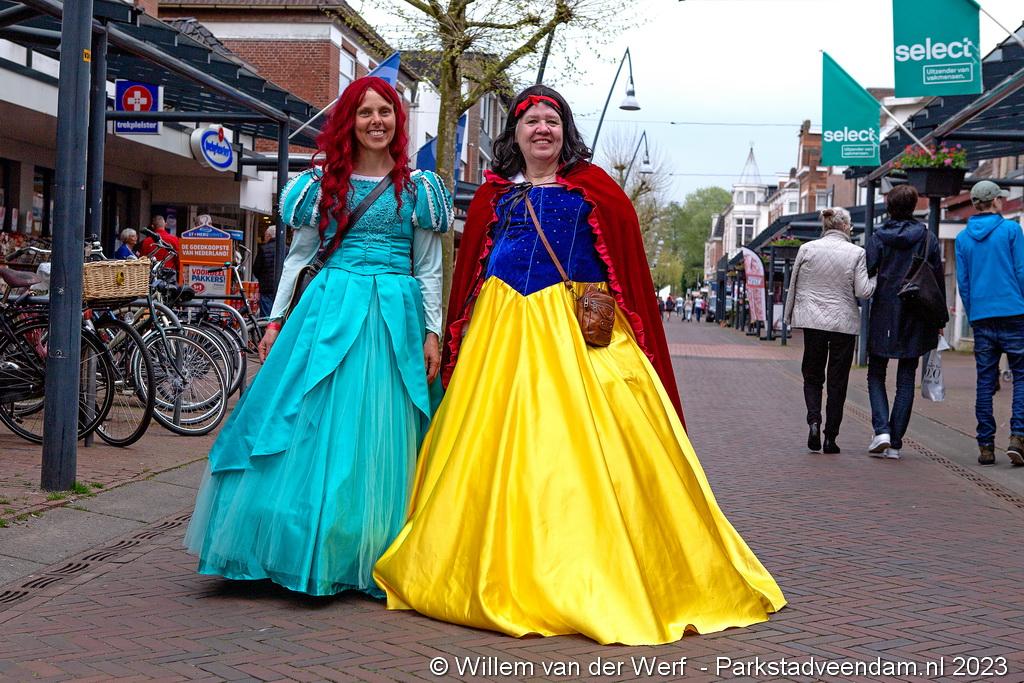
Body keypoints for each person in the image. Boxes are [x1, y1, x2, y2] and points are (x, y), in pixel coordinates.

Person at [373, 85, 785, 646]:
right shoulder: (494, 193)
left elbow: (625, 267)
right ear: (515, 134)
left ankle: (592, 565)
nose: (542, 129)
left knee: (586, 442)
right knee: (490, 441)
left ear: (565, 131)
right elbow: (471, 267)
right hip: (499, 329)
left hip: (575, 330)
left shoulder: (596, 189)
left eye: (552, 120)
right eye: (531, 121)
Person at [183, 76, 453, 596]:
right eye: (365, 112)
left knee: (376, 434)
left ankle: (370, 546)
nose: (376, 121)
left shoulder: (419, 188)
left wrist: (432, 332)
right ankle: (301, 539)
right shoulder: (322, 185)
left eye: (385, 111)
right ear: (349, 121)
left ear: (398, 121)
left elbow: (428, 268)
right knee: (302, 420)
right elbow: (299, 257)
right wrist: (275, 321)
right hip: (328, 311)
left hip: (394, 321)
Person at [784, 207, 875, 454]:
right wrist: (875, 279)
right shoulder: (857, 252)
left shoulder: (807, 249)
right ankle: (830, 438)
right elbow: (863, 291)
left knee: (812, 375)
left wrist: (788, 316)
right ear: (844, 226)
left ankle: (814, 421)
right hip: (843, 324)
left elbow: (793, 284)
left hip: (812, 321)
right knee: (838, 381)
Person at [864, 185, 944, 461]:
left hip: (884, 312)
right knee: (906, 377)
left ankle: (881, 431)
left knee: (876, 373)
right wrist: (939, 319)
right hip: (916, 314)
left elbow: (868, 270)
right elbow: (937, 280)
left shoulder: (877, 238)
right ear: (913, 206)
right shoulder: (927, 238)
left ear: (889, 206)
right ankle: (895, 443)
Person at [955, 180, 1024, 467]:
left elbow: (964, 283)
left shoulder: (962, 239)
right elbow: (1021, 271)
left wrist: (974, 313)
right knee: (1021, 376)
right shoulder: (1011, 230)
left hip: (982, 316)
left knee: (985, 381)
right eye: (1000, 199)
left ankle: (985, 445)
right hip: (1014, 312)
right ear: (995, 201)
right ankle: (1018, 437)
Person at [250, 226, 278, 317]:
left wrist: (262, 278)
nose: (264, 238)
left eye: (265, 235)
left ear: (269, 236)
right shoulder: (286, 249)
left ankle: (266, 325)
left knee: (266, 314)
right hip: (281, 287)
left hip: (266, 287)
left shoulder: (263, 249)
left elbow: (256, 269)